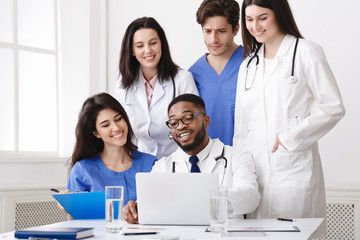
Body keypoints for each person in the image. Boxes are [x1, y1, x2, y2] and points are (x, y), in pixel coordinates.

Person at [233, 0, 345, 236]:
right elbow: (242, 126)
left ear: (279, 14)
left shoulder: (306, 52)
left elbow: (333, 106)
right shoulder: (248, 65)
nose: (255, 26)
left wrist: (290, 137)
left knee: (294, 235)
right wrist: (239, 173)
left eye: (262, 17)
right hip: (255, 174)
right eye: (249, 19)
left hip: (293, 171)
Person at [124, 94, 260, 224]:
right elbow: (148, 204)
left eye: (188, 118)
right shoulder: (162, 166)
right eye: (173, 122)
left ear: (206, 121)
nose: (181, 126)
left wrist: (206, 201)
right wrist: (135, 209)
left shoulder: (237, 156)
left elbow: (250, 197)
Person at [116, 17, 199, 159]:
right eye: (140, 46)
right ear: (132, 50)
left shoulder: (182, 79)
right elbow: (126, 131)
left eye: (153, 43)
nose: (148, 50)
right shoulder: (123, 84)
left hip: (177, 161)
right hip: (140, 161)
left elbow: (195, 126)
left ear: (162, 44)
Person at [66, 93, 157, 206]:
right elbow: (75, 220)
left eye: (118, 119)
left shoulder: (151, 164)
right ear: (96, 133)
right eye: (105, 125)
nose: (116, 128)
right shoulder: (83, 170)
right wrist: (68, 208)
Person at [189, 0, 243, 146]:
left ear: (236, 29)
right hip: (208, 161)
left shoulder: (253, 64)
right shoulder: (193, 75)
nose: (214, 39)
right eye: (207, 31)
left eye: (221, 31)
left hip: (250, 158)